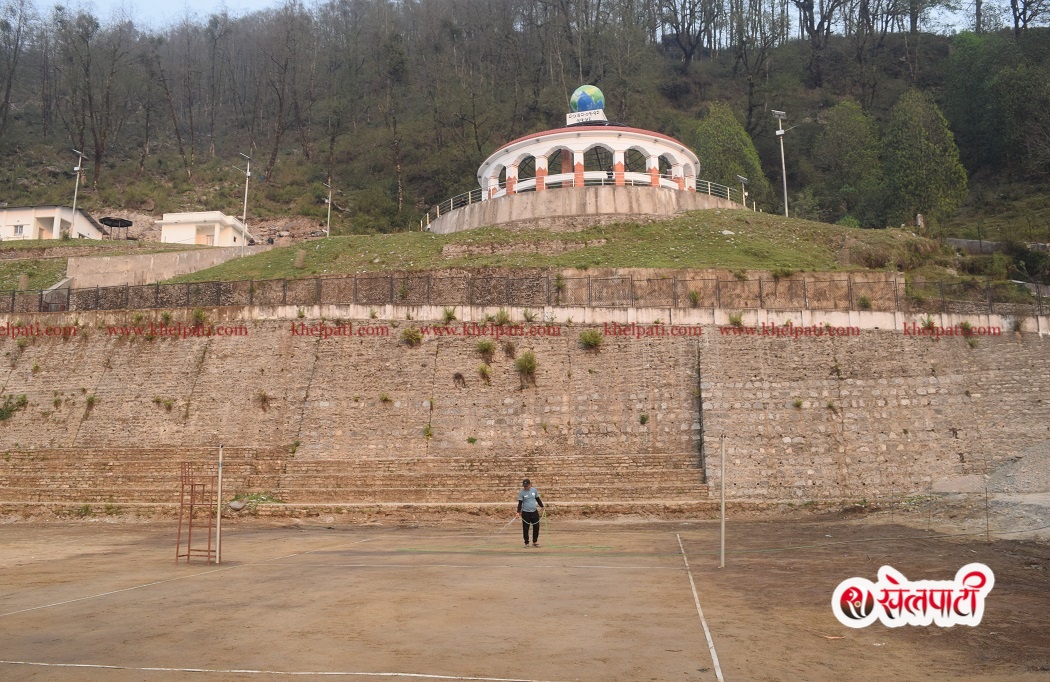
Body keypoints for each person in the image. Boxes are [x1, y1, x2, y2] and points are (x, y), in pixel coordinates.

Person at [516, 478, 545, 547]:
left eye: (526, 486)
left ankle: (535, 541)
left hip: (534, 512)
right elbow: (520, 503)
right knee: (526, 528)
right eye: (524, 486)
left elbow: (538, 499)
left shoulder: (534, 490)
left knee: (536, 527)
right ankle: (526, 542)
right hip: (526, 512)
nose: (525, 487)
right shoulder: (521, 493)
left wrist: (542, 506)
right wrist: (518, 512)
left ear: (530, 484)